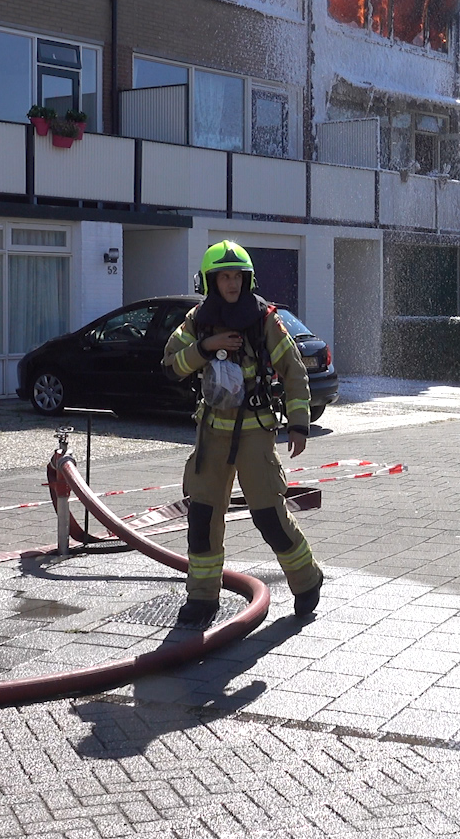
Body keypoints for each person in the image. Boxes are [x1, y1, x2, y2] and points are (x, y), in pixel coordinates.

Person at [163, 240, 324, 629]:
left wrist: (299, 425)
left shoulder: (264, 318)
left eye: (237, 276)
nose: (232, 284)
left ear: (246, 278)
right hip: (211, 435)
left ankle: (306, 580)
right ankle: (202, 597)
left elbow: (294, 370)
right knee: (202, 517)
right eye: (224, 277)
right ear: (211, 281)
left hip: (254, 433)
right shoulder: (197, 321)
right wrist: (206, 347)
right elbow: (171, 365)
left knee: (269, 514)